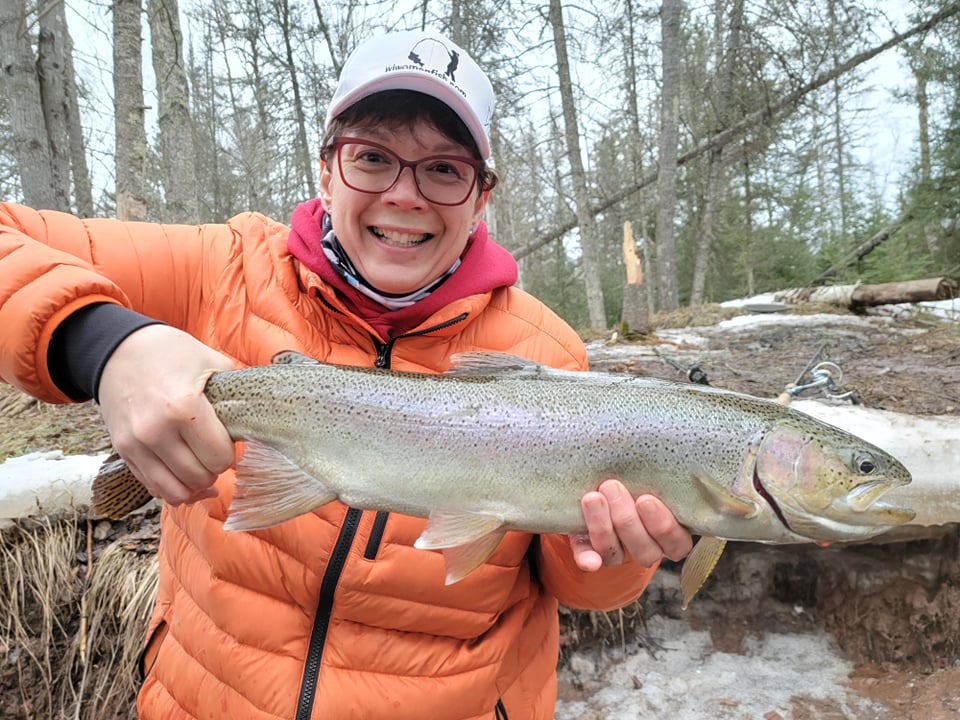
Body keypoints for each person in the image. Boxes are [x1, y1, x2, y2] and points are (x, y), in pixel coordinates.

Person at [0, 29, 692, 719]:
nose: (405, 195)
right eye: (372, 158)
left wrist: (615, 551)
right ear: (327, 170)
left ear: (482, 197)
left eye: (444, 169)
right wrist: (105, 344)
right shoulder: (222, 270)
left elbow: (578, 588)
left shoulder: (548, 353)